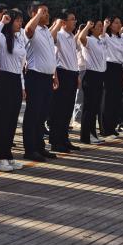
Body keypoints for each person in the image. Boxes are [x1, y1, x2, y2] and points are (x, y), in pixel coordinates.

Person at [0, 8, 27, 172]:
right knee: (1, 120)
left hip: (16, 79)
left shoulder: (19, 38)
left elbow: (20, 66)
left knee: (11, 120)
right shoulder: (2, 38)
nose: (20, 23)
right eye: (17, 20)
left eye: (21, 20)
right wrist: (2, 21)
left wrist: (22, 86)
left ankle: (8, 155)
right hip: (2, 78)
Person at [22, 3, 59, 161]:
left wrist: (54, 74)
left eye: (47, 11)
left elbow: (50, 55)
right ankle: (30, 150)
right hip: (35, 76)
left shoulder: (46, 31)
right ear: (34, 14)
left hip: (47, 77)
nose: (47, 14)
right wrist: (38, 14)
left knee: (42, 115)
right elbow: (28, 30)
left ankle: (39, 147)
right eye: (44, 12)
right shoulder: (33, 29)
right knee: (33, 114)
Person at [48, 10, 80, 154]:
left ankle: (64, 139)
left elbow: (73, 57)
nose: (75, 21)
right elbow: (50, 37)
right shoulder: (59, 34)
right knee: (59, 110)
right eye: (72, 19)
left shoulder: (72, 36)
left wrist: (77, 74)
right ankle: (55, 141)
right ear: (64, 22)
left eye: (75, 19)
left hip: (72, 73)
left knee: (68, 110)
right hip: (62, 74)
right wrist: (57, 24)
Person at [77, 20, 106, 145]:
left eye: (102, 26)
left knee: (95, 108)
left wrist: (105, 26)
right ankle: (86, 136)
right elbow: (81, 37)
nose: (101, 28)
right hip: (91, 75)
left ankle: (93, 133)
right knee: (89, 108)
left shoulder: (100, 41)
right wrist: (88, 26)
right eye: (99, 26)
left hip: (100, 76)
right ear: (92, 29)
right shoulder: (89, 40)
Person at [100, 16, 123, 139]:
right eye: (116, 23)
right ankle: (105, 129)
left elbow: (122, 58)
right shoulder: (106, 36)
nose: (119, 25)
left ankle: (112, 127)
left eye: (119, 22)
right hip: (109, 68)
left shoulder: (120, 38)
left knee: (116, 99)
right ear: (111, 25)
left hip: (119, 68)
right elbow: (101, 39)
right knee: (107, 99)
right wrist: (105, 26)